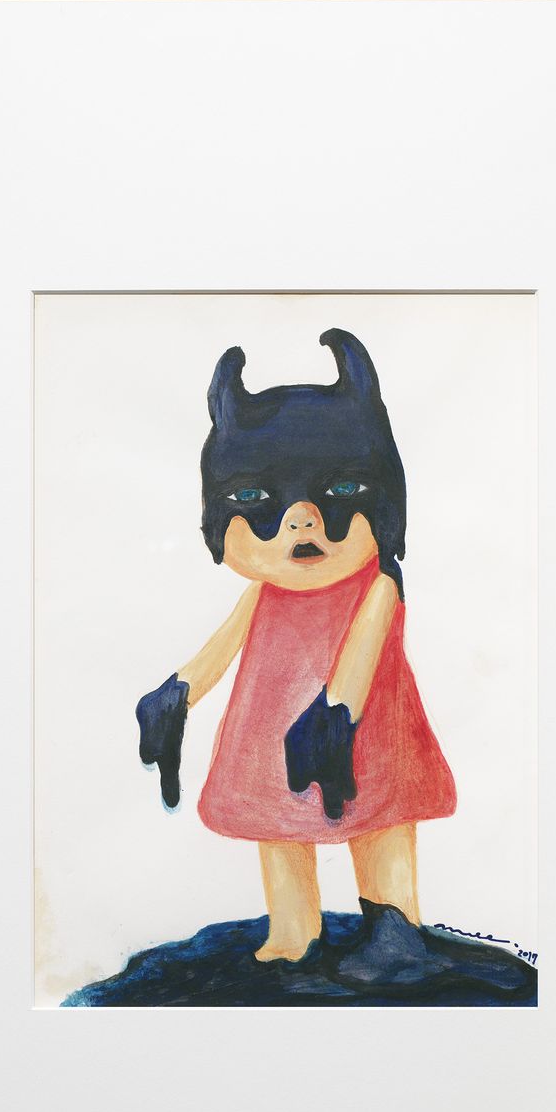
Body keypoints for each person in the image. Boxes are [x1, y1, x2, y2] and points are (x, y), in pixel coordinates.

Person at [136, 328, 456, 966]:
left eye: (342, 491)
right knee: (278, 829)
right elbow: (224, 644)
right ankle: (293, 930)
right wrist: (177, 692)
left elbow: (364, 649)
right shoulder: (265, 592)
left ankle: (393, 927)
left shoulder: (378, 586)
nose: (302, 519)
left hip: (367, 732)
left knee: (382, 818)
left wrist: (337, 713)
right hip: (273, 733)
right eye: (256, 498)